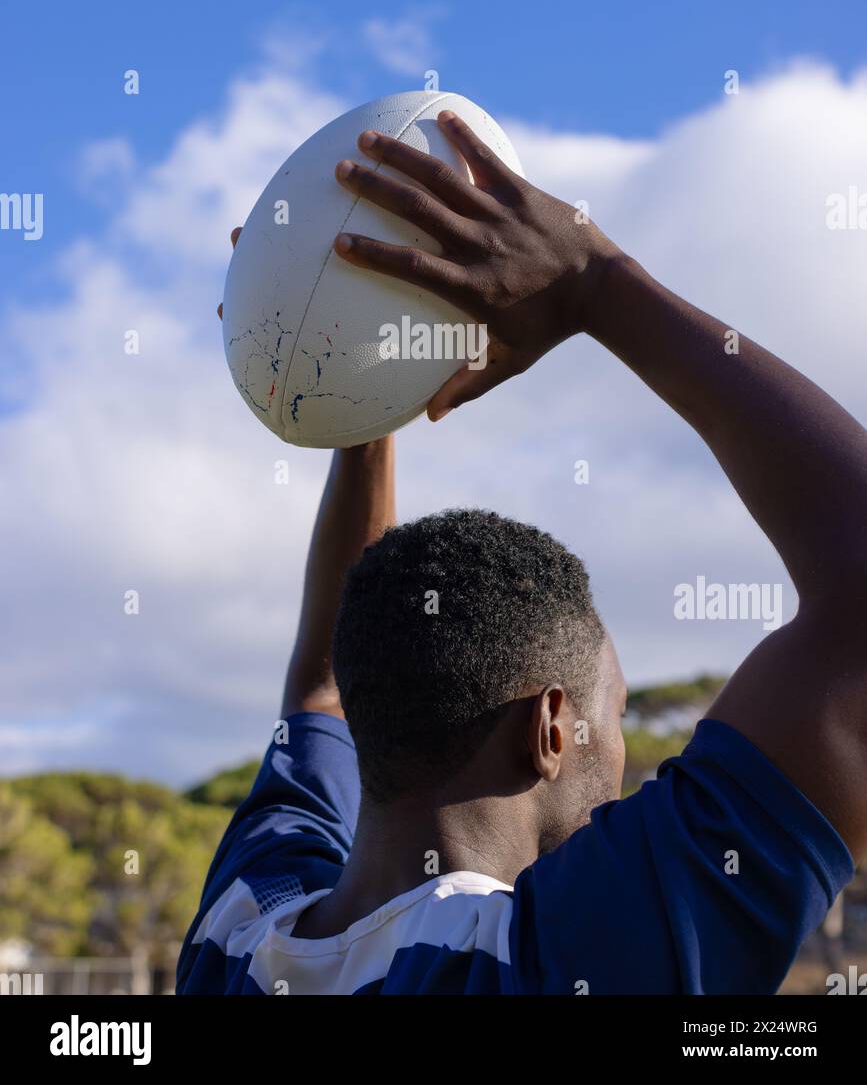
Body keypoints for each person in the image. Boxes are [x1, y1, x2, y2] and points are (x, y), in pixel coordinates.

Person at [179, 111, 866, 995]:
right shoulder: (570, 959)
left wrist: (355, 380)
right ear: (550, 728)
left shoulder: (236, 933)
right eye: (609, 719)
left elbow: (322, 688)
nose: (621, 766)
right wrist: (589, 280)